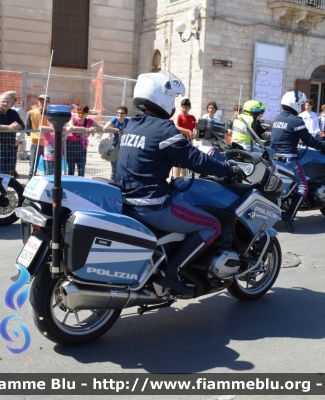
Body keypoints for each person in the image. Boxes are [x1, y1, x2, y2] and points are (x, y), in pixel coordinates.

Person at [116, 71, 243, 296]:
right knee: (211, 225)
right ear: (161, 98)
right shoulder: (163, 129)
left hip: (127, 200)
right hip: (152, 205)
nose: (174, 103)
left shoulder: (133, 125)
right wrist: (226, 168)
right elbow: (195, 159)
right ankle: (172, 272)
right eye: (172, 98)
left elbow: (150, 156)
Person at [270, 89, 325, 233]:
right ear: (295, 103)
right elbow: (309, 140)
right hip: (288, 160)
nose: (303, 106)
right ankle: (289, 215)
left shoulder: (278, 118)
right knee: (303, 187)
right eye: (302, 103)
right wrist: (324, 145)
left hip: (274, 159)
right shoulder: (296, 120)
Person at [0, 93, 24, 175]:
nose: (5, 104)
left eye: (7, 102)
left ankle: (4, 187)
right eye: (3, 101)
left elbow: (22, 125)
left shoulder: (13, 113)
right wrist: (8, 127)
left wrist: (18, 126)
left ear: (11, 102)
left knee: (7, 170)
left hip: (10, 145)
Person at [26, 94, 53, 180]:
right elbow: (27, 129)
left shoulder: (52, 114)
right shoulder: (31, 113)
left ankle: (47, 184)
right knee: (32, 167)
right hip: (35, 143)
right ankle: (30, 183)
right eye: (40, 101)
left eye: (44, 101)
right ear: (38, 102)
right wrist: (34, 135)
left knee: (48, 168)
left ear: (48, 103)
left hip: (48, 144)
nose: (42, 103)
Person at [102, 106, 128, 180]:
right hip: (113, 147)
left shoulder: (127, 121)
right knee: (115, 169)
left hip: (123, 148)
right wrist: (117, 130)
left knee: (122, 168)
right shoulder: (114, 120)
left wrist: (125, 130)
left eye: (122, 113)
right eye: (118, 113)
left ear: (125, 114)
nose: (120, 114)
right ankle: (113, 184)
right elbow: (105, 127)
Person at [4, 91, 26, 177]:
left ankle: (12, 172)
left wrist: (18, 139)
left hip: (14, 137)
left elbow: (21, 124)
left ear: (13, 99)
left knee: (12, 156)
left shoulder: (18, 110)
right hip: (5, 137)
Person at [173, 98, 197, 178]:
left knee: (184, 163)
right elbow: (176, 127)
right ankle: (175, 179)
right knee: (177, 163)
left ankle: (183, 180)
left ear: (189, 108)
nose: (184, 109)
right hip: (179, 141)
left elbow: (195, 129)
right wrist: (188, 131)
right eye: (183, 107)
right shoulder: (179, 116)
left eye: (186, 107)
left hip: (188, 142)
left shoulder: (192, 118)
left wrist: (193, 134)